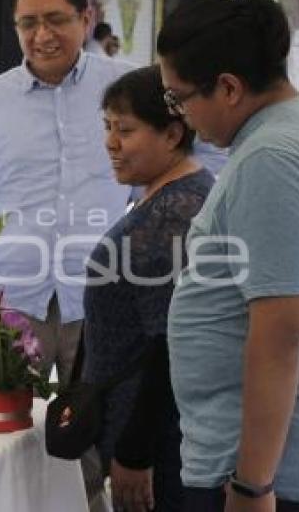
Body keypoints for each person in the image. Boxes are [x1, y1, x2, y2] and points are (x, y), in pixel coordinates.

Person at [159, 0, 299, 512]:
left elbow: (280, 331)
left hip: (266, 469)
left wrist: (253, 483)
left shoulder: (275, 157)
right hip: (267, 456)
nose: (180, 117)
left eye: (178, 99)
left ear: (228, 87)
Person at [0, 0, 131, 388]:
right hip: (11, 303)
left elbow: (162, 179)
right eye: (28, 23)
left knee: (97, 443)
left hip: (98, 302)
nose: (42, 36)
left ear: (85, 19)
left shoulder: (124, 89)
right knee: (0, 438)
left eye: (56, 20)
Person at [81, 65, 213, 512]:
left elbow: (170, 343)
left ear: (173, 135)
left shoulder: (175, 213)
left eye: (126, 130)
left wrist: (136, 451)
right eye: (107, 128)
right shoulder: (170, 196)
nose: (110, 143)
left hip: (157, 451)